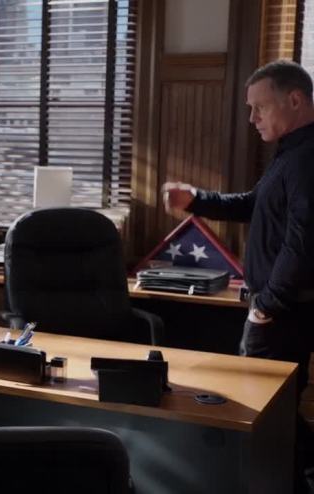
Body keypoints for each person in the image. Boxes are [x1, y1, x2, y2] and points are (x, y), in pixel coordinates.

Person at [163, 60, 314, 492]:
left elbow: (304, 242)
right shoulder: (292, 151)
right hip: (278, 311)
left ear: (294, 100)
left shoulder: (306, 158)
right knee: (274, 416)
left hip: (282, 315)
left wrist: (267, 305)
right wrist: (196, 200)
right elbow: (254, 204)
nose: (252, 119)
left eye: (259, 108)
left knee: (264, 416)